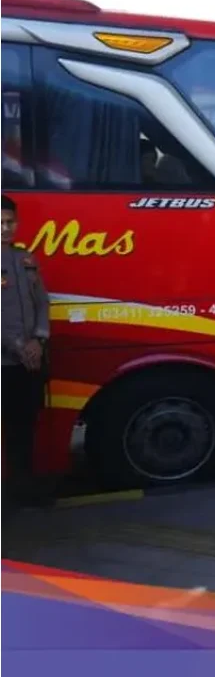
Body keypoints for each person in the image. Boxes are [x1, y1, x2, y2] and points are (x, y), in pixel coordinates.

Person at [2, 195, 51, 507]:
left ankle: (22, 489)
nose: (5, 228)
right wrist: (19, 347)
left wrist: (39, 339)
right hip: (6, 362)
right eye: (0, 223)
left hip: (29, 362)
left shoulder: (25, 259)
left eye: (10, 222)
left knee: (25, 426)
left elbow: (43, 303)